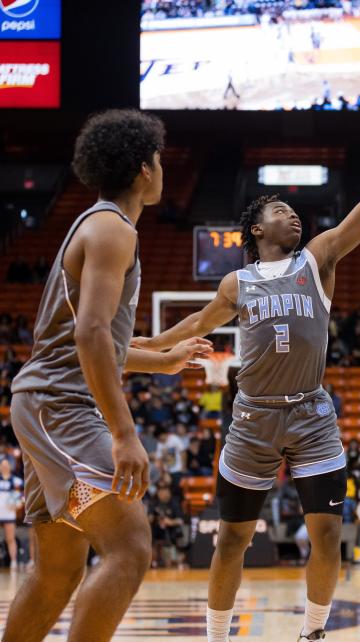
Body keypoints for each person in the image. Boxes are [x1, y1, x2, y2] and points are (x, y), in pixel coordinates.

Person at [135, 106, 360, 642]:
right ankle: (216, 636)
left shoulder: (318, 258)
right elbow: (198, 321)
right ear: (257, 229)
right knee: (231, 539)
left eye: (295, 212)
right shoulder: (237, 282)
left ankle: (314, 632)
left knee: (327, 535)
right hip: (252, 418)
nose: (294, 216)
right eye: (281, 211)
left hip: (310, 414)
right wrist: (149, 345)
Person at [4, 110, 211, 642]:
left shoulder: (99, 225)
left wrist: (160, 360)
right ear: (144, 169)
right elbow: (91, 335)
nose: (163, 168)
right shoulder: (112, 230)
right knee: (131, 546)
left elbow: (92, 340)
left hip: (48, 404)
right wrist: (123, 434)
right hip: (61, 407)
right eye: (160, 160)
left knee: (59, 567)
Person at [0, 458, 23, 567]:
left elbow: (22, 496)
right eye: (2, 465)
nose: (4, 467)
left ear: (10, 466)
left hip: (9, 513)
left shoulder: (16, 481)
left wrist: (17, 504)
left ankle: (13, 561)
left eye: (6, 465)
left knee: (10, 538)